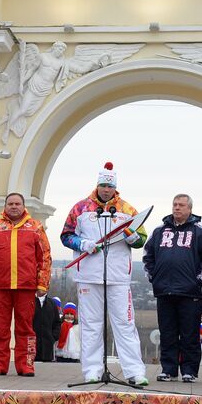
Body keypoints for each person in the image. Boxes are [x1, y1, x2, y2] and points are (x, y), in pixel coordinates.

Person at [60, 162, 150, 387]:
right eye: (102, 185)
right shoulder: (80, 208)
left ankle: (135, 371)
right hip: (89, 275)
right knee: (91, 324)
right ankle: (92, 370)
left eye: (109, 186)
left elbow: (141, 239)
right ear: (97, 185)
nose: (106, 190)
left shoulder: (127, 210)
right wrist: (83, 243)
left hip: (118, 276)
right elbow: (66, 235)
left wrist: (131, 237)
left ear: (115, 187)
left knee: (125, 322)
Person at [143, 194, 202, 382]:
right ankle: (168, 369)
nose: (177, 208)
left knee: (189, 333)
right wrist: (154, 278)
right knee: (167, 333)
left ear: (190, 209)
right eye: (175, 204)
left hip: (189, 292)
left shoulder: (200, 231)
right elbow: (147, 255)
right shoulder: (159, 231)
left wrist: (199, 279)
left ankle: (189, 371)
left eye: (181, 205)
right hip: (164, 291)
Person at [0, 192, 52, 376]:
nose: (14, 206)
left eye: (17, 203)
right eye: (10, 203)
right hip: (1, 287)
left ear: (23, 206)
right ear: (5, 206)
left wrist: (42, 284)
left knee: (25, 329)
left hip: (26, 287)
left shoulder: (35, 227)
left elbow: (44, 257)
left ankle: (26, 365)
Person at [34, 294, 61, 363]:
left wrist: (53, 337)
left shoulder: (52, 304)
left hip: (47, 349)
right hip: (32, 347)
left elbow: (57, 322)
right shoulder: (30, 302)